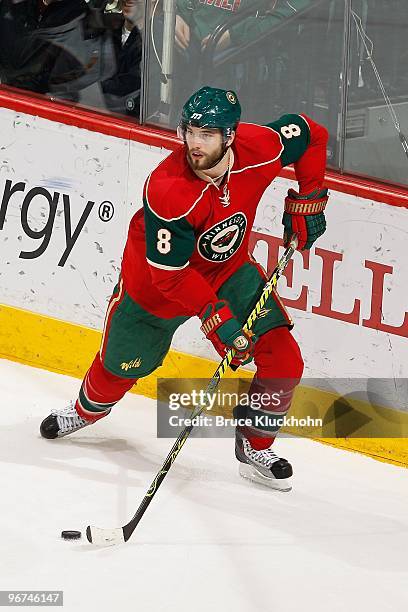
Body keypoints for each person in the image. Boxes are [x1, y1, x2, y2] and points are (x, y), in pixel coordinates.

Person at [40, 86, 329, 491]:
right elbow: (171, 277)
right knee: (119, 368)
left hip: (228, 273)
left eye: (207, 135)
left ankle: (255, 444)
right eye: (190, 131)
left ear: (230, 136)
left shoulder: (261, 147)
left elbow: (312, 134)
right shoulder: (168, 188)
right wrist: (219, 324)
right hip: (155, 289)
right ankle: (86, 410)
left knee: (285, 361)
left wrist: (310, 197)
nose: (194, 143)